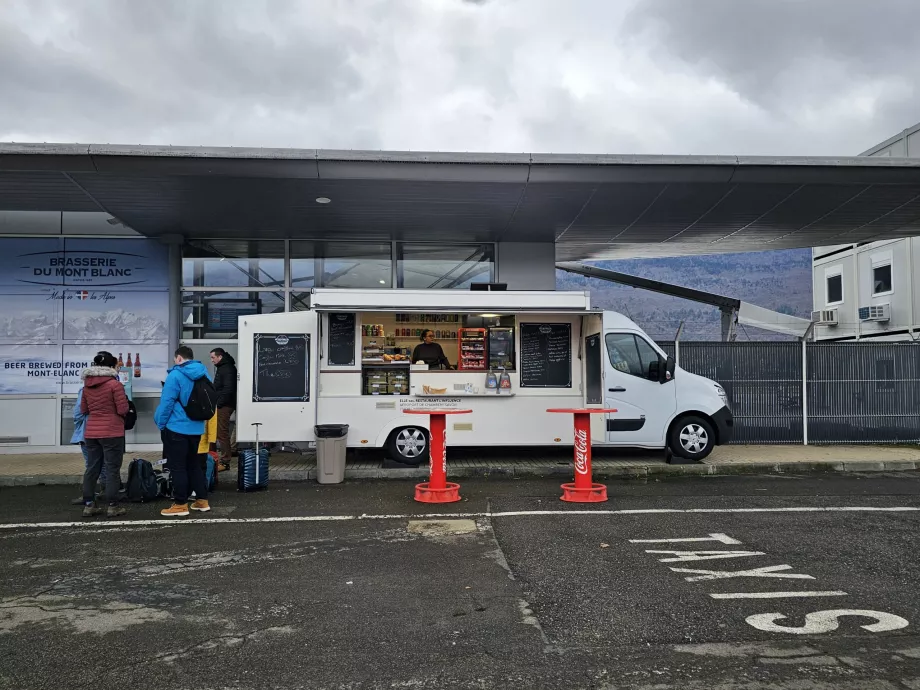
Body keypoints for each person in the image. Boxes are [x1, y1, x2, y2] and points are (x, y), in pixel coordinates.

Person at [155, 346, 212, 517]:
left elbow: (166, 403)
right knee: (194, 464)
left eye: (175, 359)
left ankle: (180, 504)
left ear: (179, 358)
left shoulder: (175, 375)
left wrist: (160, 423)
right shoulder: (204, 374)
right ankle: (202, 500)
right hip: (196, 427)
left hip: (176, 427)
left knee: (178, 467)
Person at [80, 352, 129, 518]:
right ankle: (112, 506)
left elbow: (84, 410)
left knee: (92, 468)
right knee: (112, 469)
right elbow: (122, 409)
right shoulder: (115, 385)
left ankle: (88, 505)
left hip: (91, 432)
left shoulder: (87, 385)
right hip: (112, 432)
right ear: (111, 365)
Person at [70, 386, 103, 505]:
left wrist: (80, 425)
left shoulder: (85, 389)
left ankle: (89, 499)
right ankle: (107, 494)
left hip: (88, 432)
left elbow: (78, 413)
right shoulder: (113, 386)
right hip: (107, 432)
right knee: (105, 465)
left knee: (91, 465)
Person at [209, 348, 237, 471]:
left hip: (224, 405)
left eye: (213, 357)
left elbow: (228, 389)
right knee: (214, 432)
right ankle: (212, 458)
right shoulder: (224, 367)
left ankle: (225, 461)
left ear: (220, 357)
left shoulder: (227, 368)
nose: (211, 360)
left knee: (221, 432)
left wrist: (219, 403)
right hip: (222, 404)